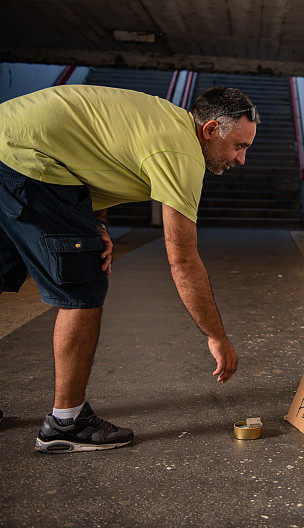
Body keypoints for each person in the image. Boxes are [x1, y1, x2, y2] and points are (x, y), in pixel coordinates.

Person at [0, 84, 259, 453]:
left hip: (10, 142)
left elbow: (92, 160)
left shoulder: (162, 120)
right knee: (83, 287)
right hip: (28, 158)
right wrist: (216, 336)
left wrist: (98, 225)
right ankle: (66, 423)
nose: (241, 159)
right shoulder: (181, 153)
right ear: (210, 129)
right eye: (239, 146)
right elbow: (183, 261)